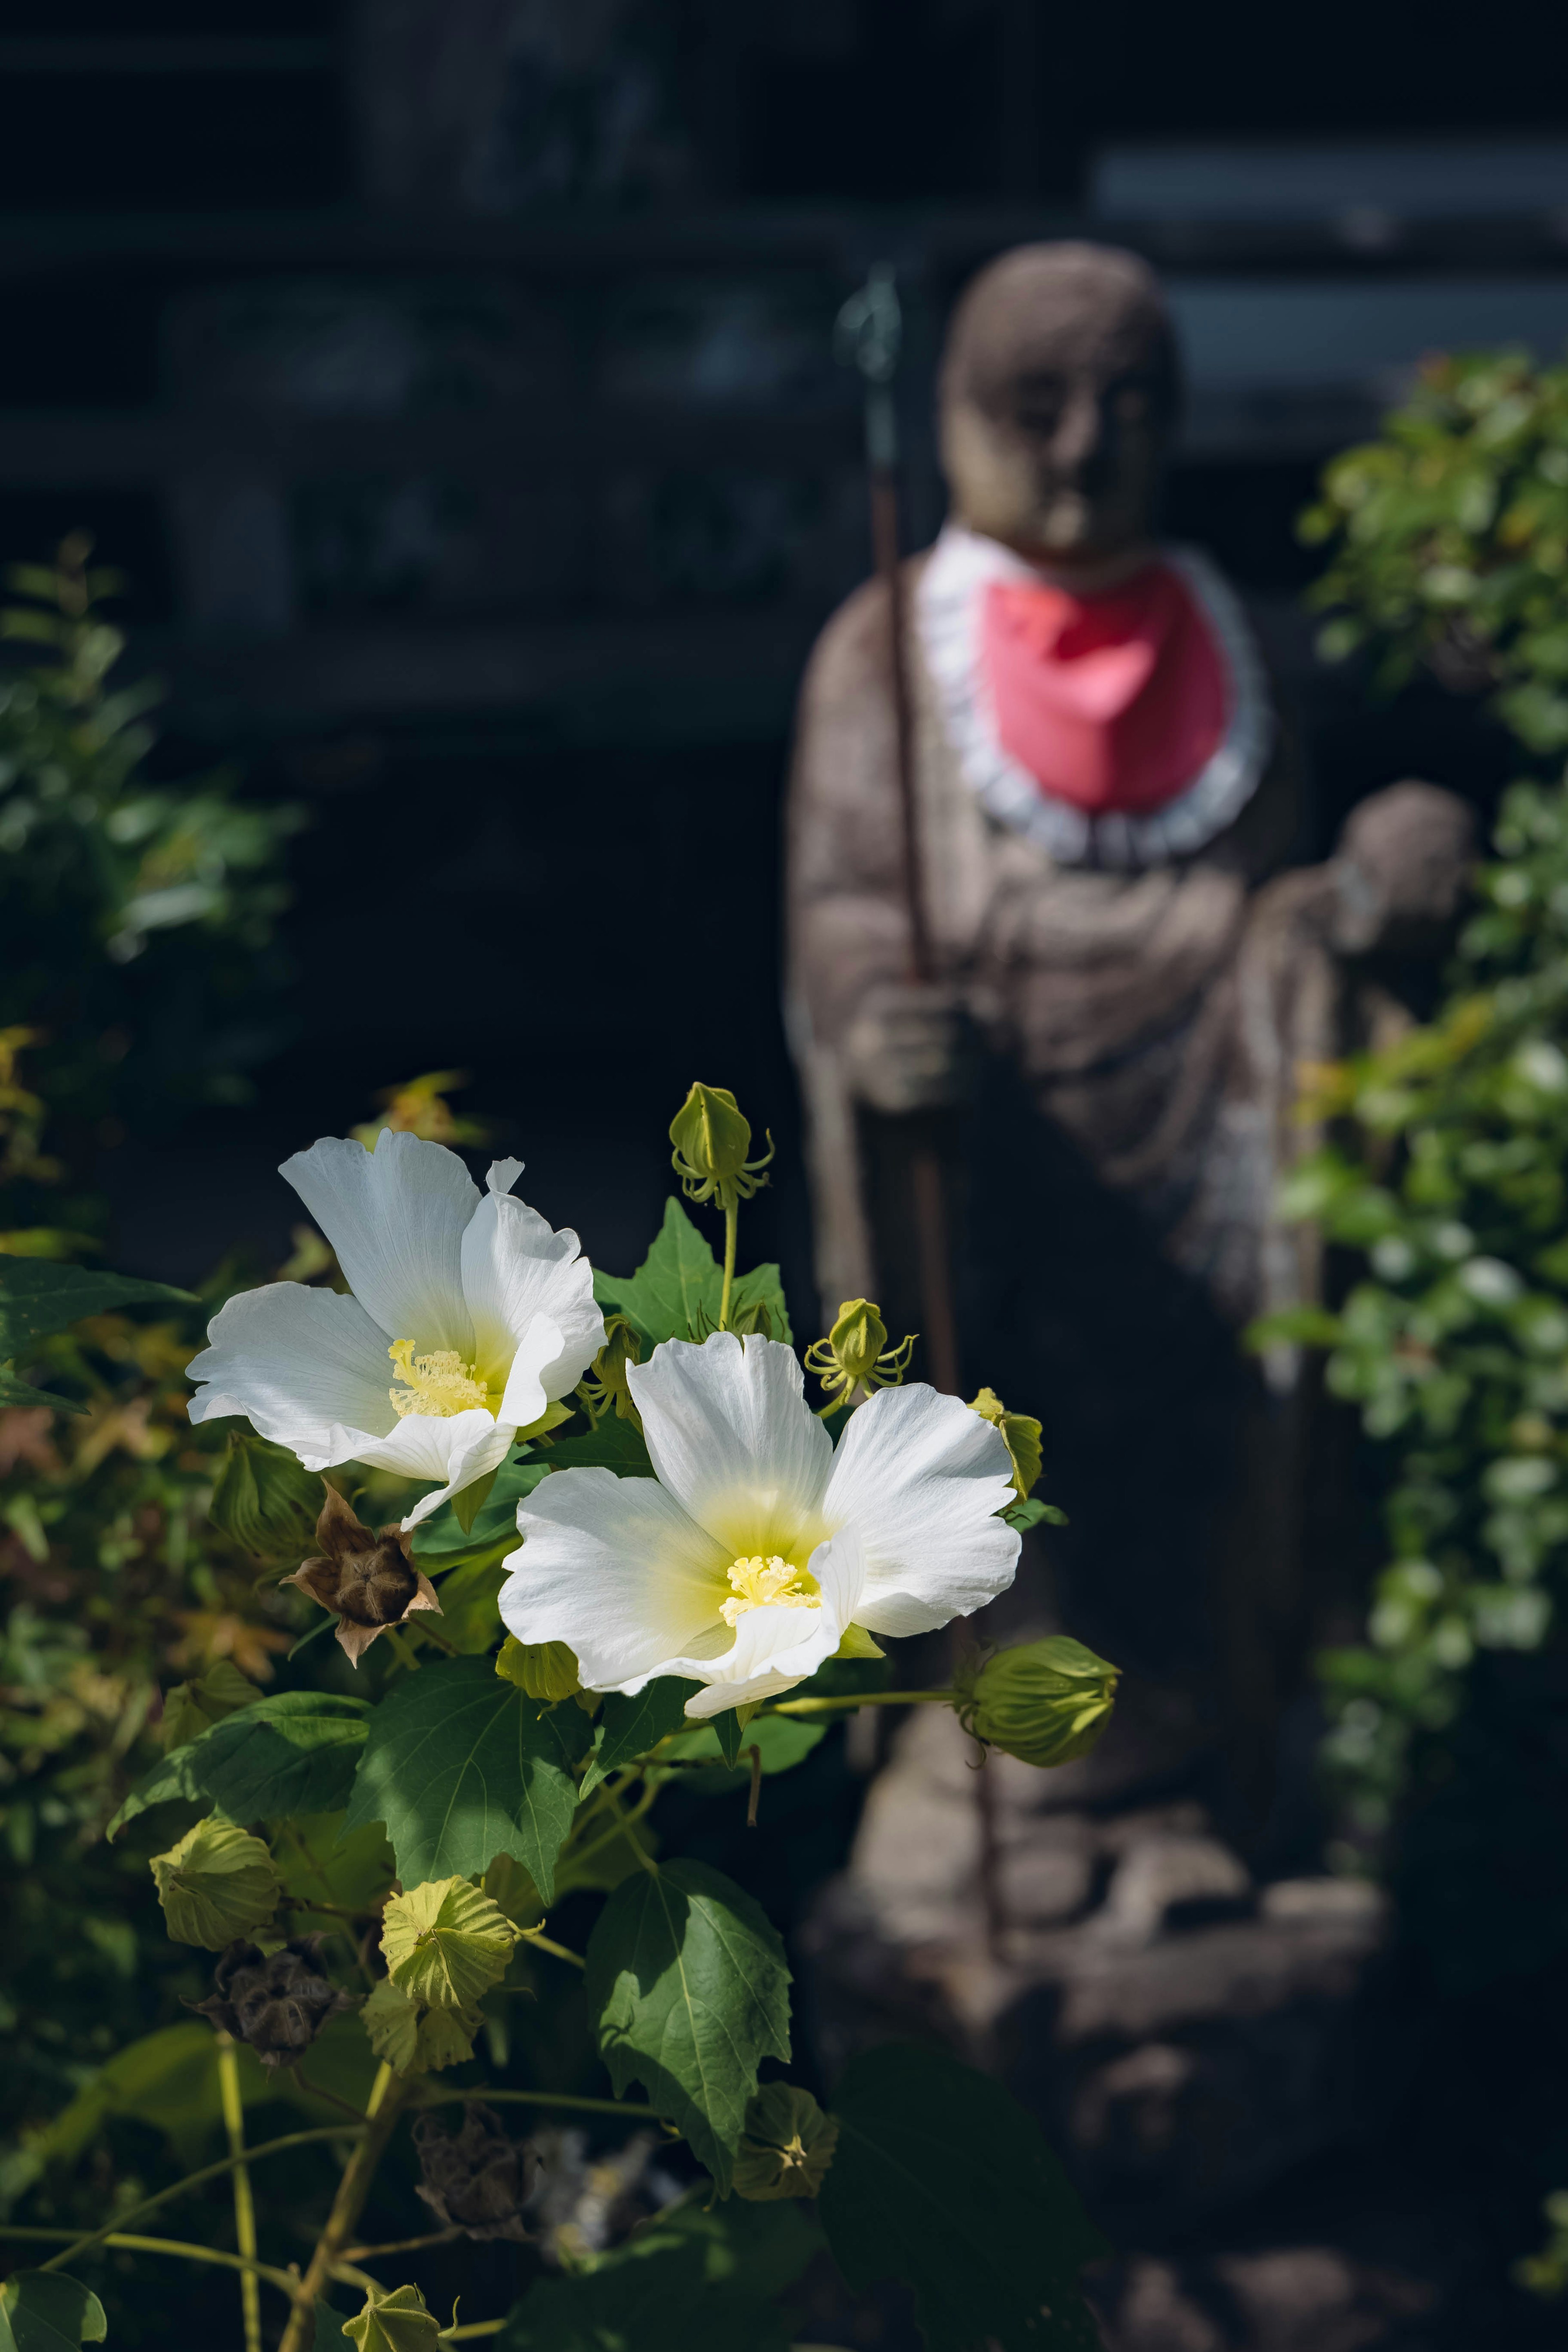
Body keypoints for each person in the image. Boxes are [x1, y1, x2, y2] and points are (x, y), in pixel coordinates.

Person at [785, 242, 1473, 1819]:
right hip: (993, 1156)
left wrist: (1351, 909)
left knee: (1198, 1464)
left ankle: (1192, 1780)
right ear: (958, 415)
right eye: (1037, 406)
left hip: (1210, 1138)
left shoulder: (1227, 645)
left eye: (1128, 404)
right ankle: (998, 1797)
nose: (1086, 448)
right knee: (1005, 1480)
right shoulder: (889, 653)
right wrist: (875, 1023)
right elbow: (841, 905)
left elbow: (1268, 909)